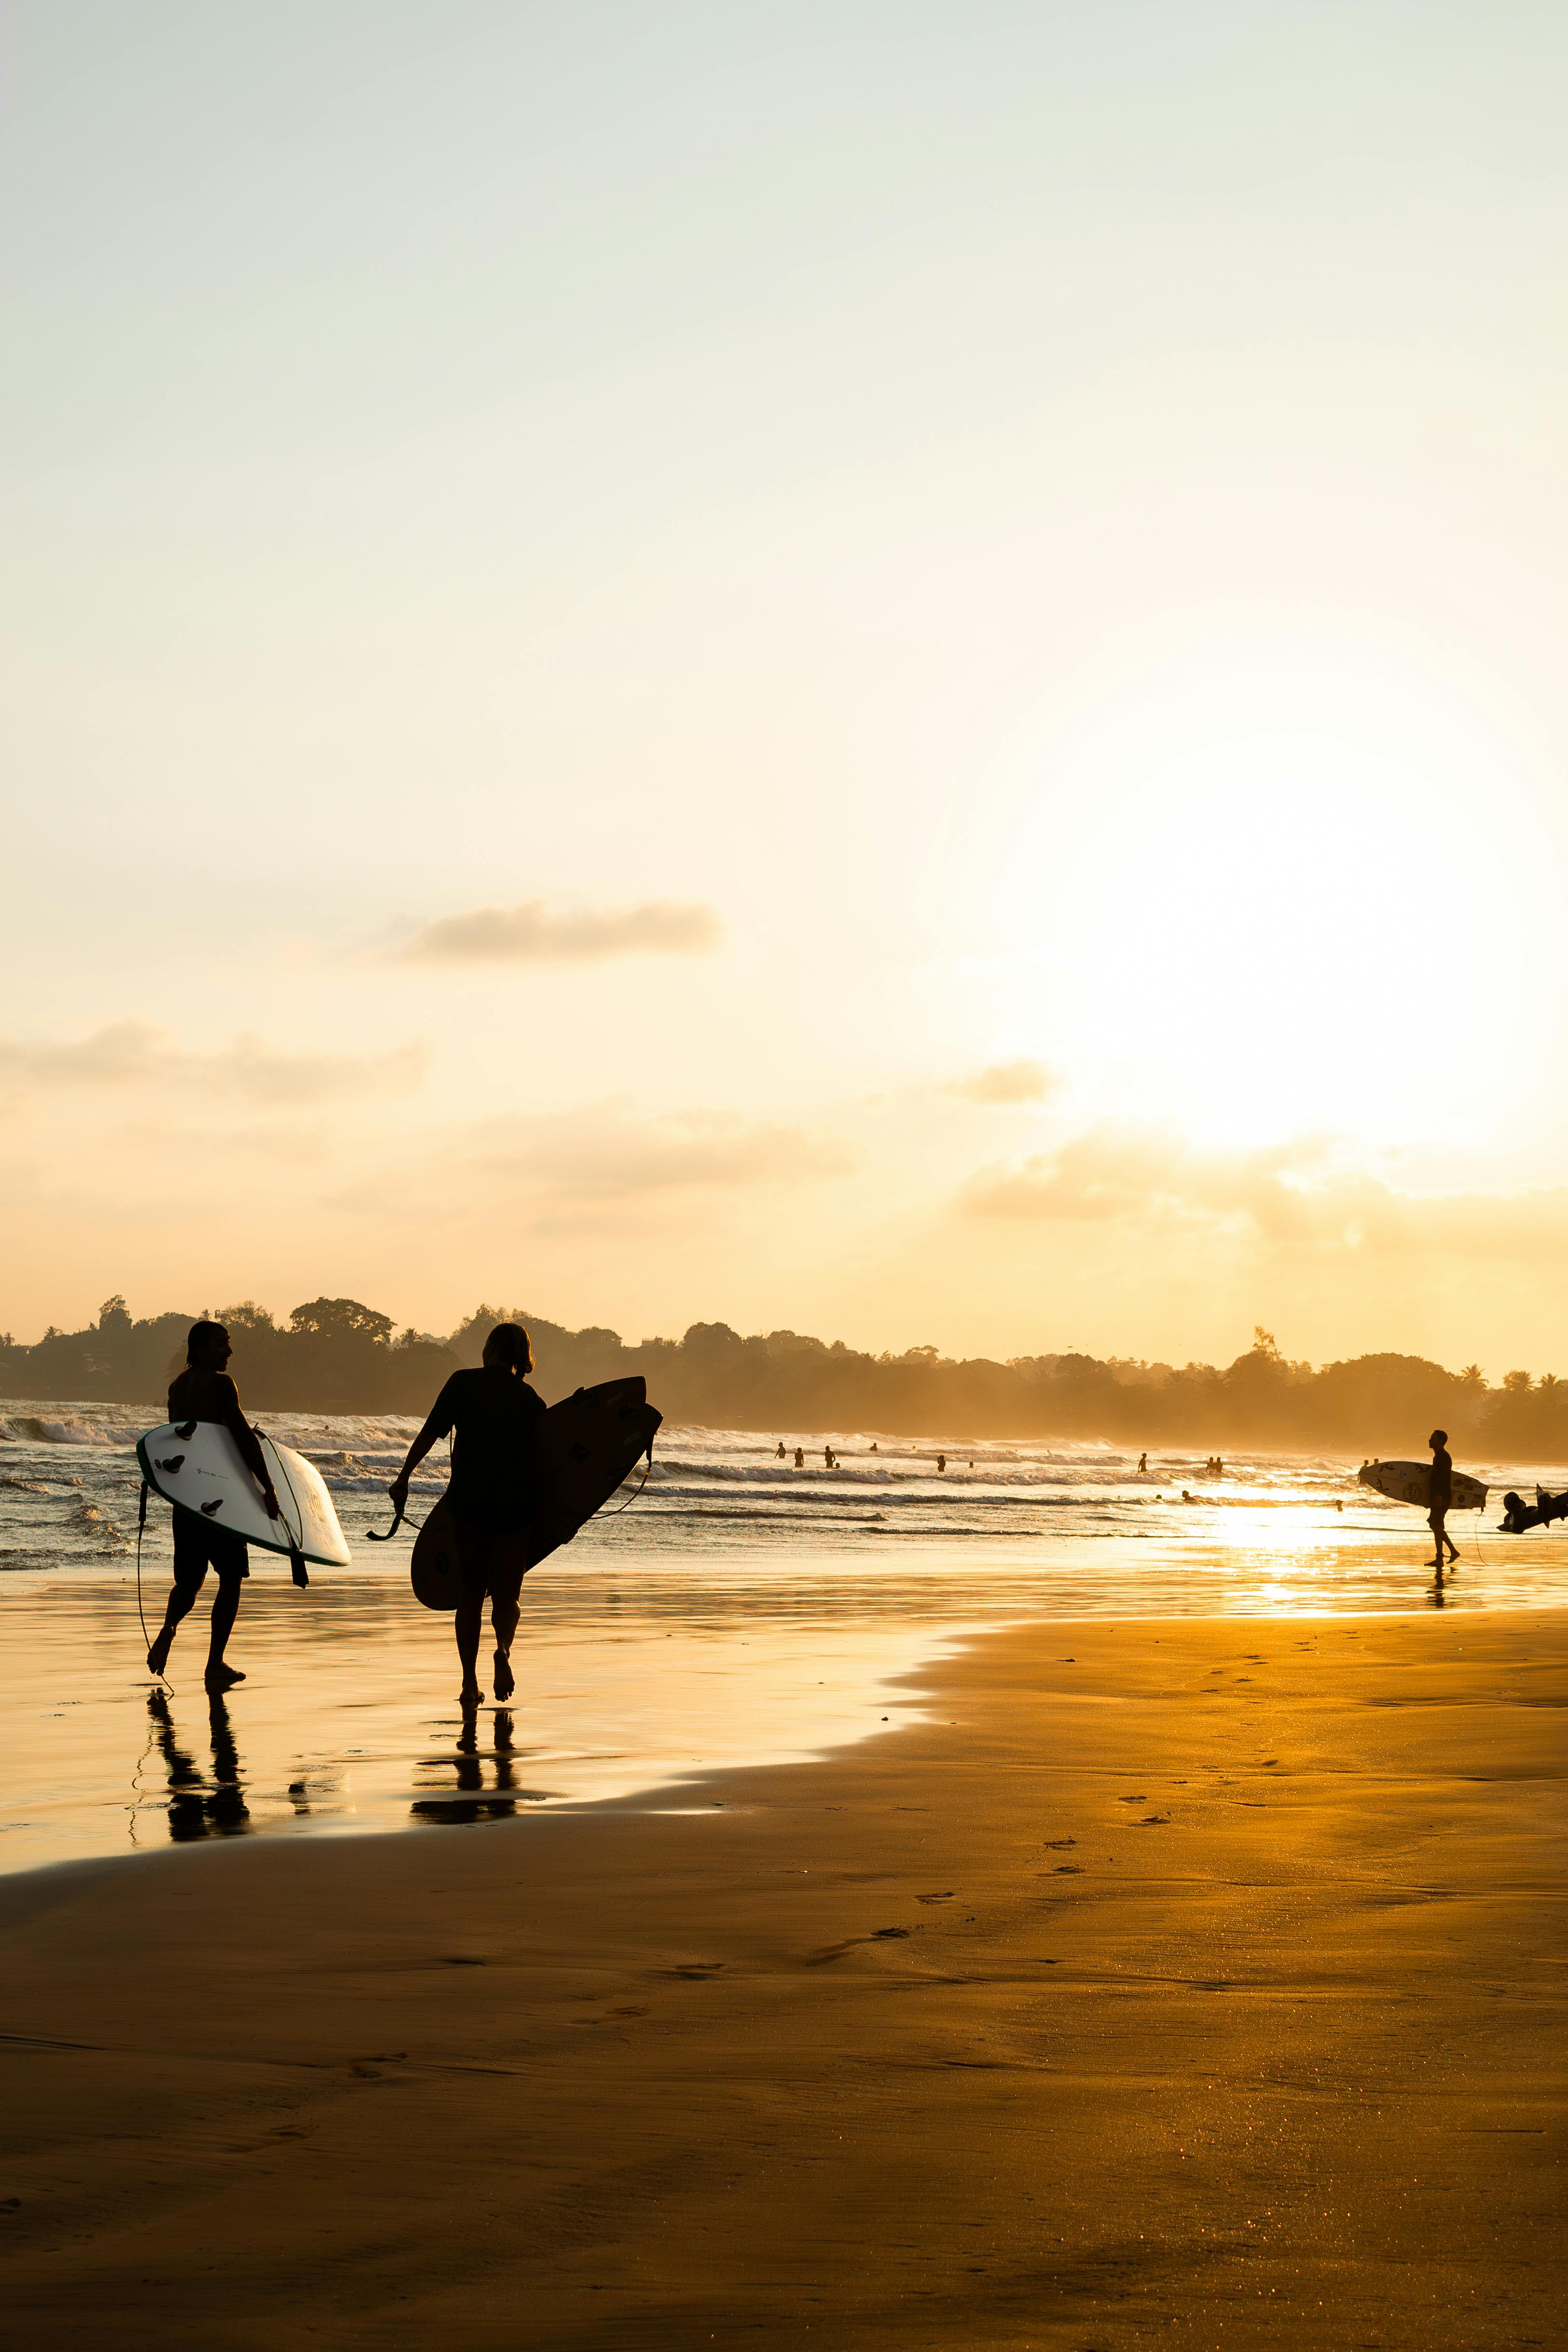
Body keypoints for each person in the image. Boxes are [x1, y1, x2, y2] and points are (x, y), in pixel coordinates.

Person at [388, 1323, 547, 1709]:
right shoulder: (531, 1401)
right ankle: (504, 1652)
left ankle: (468, 1682)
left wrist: (404, 1477)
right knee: (508, 1597)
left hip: (470, 1504)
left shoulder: (462, 1383)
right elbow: (547, 1463)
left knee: (471, 1595)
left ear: (490, 1349)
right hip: (515, 1505)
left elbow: (430, 1433)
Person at [146, 1320, 281, 1691]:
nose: (229, 1352)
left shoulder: (177, 1387)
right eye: (222, 1345)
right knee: (231, 1578)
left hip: (187, 1498)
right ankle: (215, 1662)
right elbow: (242, 1438)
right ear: (201, 1349)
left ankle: (169, 1628)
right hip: (220, 1499)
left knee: (188, 1582)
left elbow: (177, 1443)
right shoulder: (222, 1385)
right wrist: (268, 1487)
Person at [1427, 1427, 1461, 1570]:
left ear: (1440, 1441)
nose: (1430, 1440)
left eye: (1433, 1438)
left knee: (1435, 1525)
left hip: (1442, 1496)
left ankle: (1453, 1551)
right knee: (1437, 1526)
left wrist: (1438, 1495)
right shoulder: (1439, 1456)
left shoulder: (1443, 1457)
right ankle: (1439, 1558)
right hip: (1440, 1495)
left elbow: (1442, 1478)